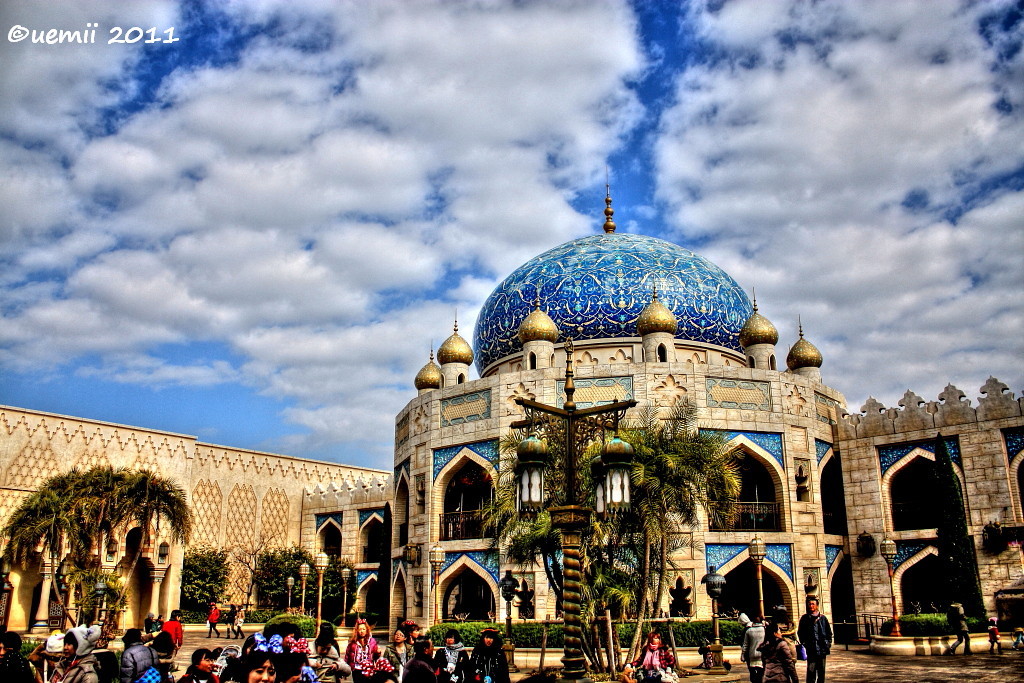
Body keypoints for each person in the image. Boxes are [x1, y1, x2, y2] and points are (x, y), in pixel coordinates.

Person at [796, 598, 831, 683]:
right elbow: (800, 632)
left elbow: (828, 632)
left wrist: (827, 643)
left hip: (822, 649)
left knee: (821, 672)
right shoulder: (805, 618)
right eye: (809, 604)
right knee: (811, 671)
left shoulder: (823, 618)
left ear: (817, 605)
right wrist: (805, 643)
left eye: (813, 604)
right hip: (811, 649)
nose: (811, 606)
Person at [739, 613, 766, 683]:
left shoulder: (749, 631)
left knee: (752, 674)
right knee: (761, 673)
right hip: (763, 655)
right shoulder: (765, 630)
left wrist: (743, 655)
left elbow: (745, 645)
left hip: (752, 655)